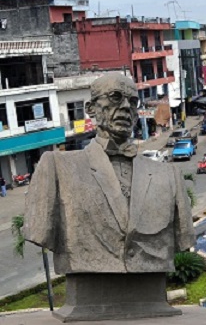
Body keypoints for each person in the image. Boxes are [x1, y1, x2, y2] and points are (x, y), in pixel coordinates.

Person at [24, 73, 196, 275]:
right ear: (91, 109)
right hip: (87, 291)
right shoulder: (57, 167)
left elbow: (184, 236)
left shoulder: (169, 174)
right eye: (115, 97)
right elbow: (39, 231)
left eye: (132, 102)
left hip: (151, 290)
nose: (125, 107)